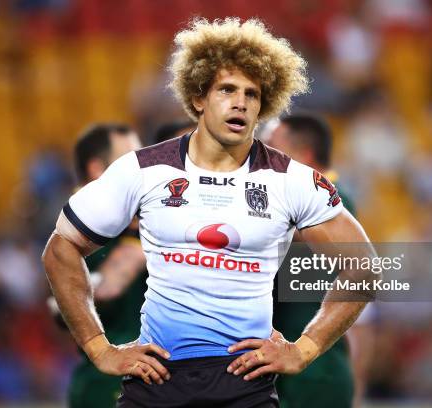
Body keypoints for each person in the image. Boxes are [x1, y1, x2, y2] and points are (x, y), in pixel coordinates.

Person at [42, 18, 373, 407]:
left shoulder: (292, 181)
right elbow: (60, 249)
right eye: (227, 90)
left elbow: (363, 268)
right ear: (198, 98)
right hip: (155, 379)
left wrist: (305, 348)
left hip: (245, 385)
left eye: (253, 94)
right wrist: (99, 347)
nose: (240, 103)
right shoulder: (142, 170)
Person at [268, 113, 373, 408]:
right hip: (293, 365)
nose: (262, 157)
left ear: (303, 155)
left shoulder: (331, 203)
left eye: (272, 147)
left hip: (312, 371)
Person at [52, 124, 147, 408]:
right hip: (110, 384)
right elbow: (74, 303)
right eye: (130, 160)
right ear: (97, 169)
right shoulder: (81, 230)